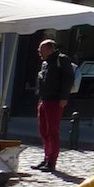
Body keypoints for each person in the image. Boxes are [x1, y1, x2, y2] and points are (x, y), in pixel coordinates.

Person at [34, 39, 74, 172]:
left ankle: (51, 161)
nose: (39, 52)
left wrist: (64, 97)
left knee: (52, 132)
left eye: (41, 49)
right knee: (44, 131)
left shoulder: (61, 60)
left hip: (55, 101)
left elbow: (68, 79)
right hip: (44, 100)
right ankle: (46, 158)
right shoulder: (45, 63)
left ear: (50, 49)